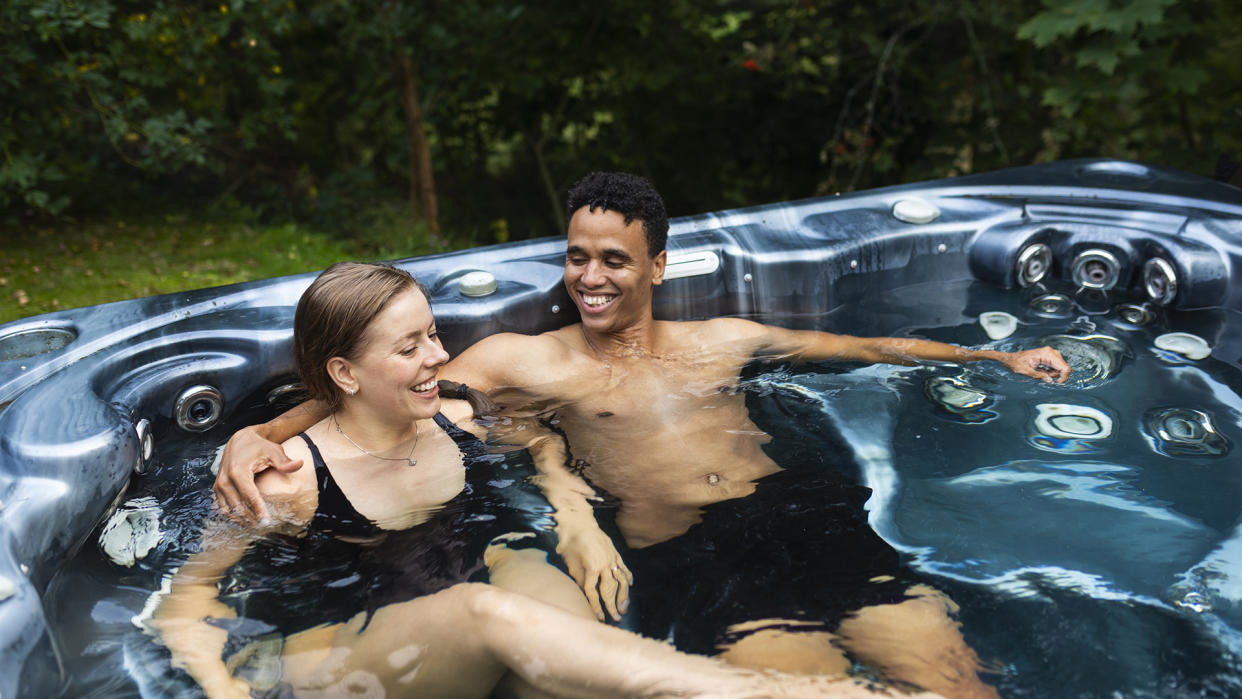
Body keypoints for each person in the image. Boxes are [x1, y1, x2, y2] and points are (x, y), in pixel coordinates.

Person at [215, 175, 1071, 697]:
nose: (590, 277)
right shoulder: (525, 358)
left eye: (614, 260)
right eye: (577, 256)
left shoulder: (725, 340)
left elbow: (866, 349)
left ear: (657, 266)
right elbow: (398, 393)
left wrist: (993, 355)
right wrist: (264, 428)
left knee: (957, 682)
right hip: (697, 555)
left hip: (811, 524)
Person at [152, 261, 893, 698]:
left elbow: (536, 436)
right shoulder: (289, 481)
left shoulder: (456, 420)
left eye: (434, 334)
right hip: (336, 653)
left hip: (460, 593)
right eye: (409, 347)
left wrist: (571, 511)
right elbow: (182, 605)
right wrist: (223, 691)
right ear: (343, 373)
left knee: (574, 655)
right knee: (486, 614)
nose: (437, 357)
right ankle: (766, 692)